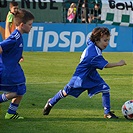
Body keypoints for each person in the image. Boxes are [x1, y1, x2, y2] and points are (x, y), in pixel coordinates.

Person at [43, 27, 126, 119]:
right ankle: (51, 102)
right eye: (105, 40)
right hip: (81, 76)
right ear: (97, 40)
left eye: (108, 40)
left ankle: (107, 113)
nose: (107, 43)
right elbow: (106, 65)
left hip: (92, 74)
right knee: (66, 92)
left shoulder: (92, 44)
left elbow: (89, 40)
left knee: (105, 88)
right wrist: (119, 63)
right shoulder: (94, 54)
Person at [0, 8, 34, 119]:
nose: (31, 27)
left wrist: (17, 55)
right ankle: (9, 111)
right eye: (30, 24)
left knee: (20, 90)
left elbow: (10, 49)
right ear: (22, 25)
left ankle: (11, 113)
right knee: (20, 90)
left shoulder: (18, 37)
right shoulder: (15, 37)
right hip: (8, 70)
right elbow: (2, 46)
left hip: (12, 68)